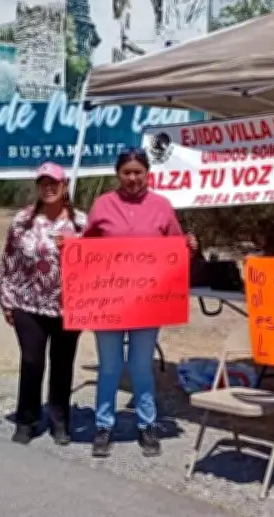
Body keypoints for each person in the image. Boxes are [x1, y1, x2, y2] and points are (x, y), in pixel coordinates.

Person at [82, 148, 197, 458]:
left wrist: (188, 245)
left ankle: (147, 425)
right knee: (109, 367)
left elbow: (176, 249)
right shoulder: (102, 205)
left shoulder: (162, 206)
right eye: (126, 172)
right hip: (109, 300)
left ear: (148, 174)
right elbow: (85, 249)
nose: (132, 178)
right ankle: (103, 426)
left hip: (147, 302)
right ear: (117, 174)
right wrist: (70, 246)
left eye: (138, 172)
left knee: (141, 366)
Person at [0, 162, 87, 445]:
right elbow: (8, 260)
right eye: (43, 182)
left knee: (63, 364)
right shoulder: (22, 220)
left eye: (54, 182)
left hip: (69, 306)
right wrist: (7, 301)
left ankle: (60, 420)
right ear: (37, 187)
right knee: (32, 361)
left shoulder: (82, 223)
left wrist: (76, 245)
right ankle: (27, 419)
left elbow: (98, 262)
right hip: (29, 304)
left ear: (64, 186)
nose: (48, 187)